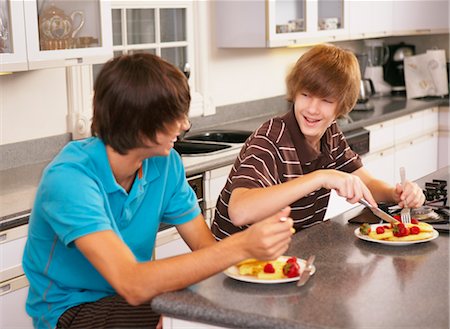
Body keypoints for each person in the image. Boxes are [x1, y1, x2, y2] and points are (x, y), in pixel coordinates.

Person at [22, 53, 295, 329]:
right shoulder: (70, 179)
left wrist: (258, 269)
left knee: (214, 308)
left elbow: (204, 247)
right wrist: (242, 245)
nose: (185, 125)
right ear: (140, 124)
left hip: (130, 296)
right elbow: (132, 283)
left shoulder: (166, 165)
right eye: (175, 116)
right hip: (70, 310)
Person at [211, 43, 425, 240]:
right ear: (294, 93)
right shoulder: (270, 138)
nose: (312, 109)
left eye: (326, 100)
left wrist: (397, 194)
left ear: (341, 107)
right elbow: (239, 212)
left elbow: (365, 183)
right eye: (305, 95)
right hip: (234, 268)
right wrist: (320, 177)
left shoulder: (329, 133)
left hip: (285, 255)